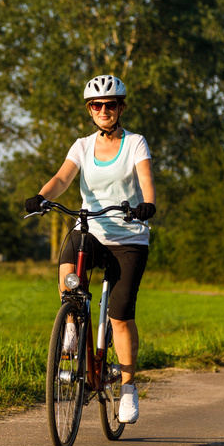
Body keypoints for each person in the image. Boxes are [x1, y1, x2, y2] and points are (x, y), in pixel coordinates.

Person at [24, 75, 156, 424]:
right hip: (93, 230)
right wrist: (42, 197)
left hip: (128, 237)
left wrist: (148, 204)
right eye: (96, 105)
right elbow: (63, 178)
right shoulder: (82, 145)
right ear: (89, 110)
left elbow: (145, 180)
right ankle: (71, 320)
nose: (103, 110)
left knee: (120, 315)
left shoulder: (135, 143)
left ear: (121, 108)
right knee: (71, 257)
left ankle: (128, 388)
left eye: (109, 105)